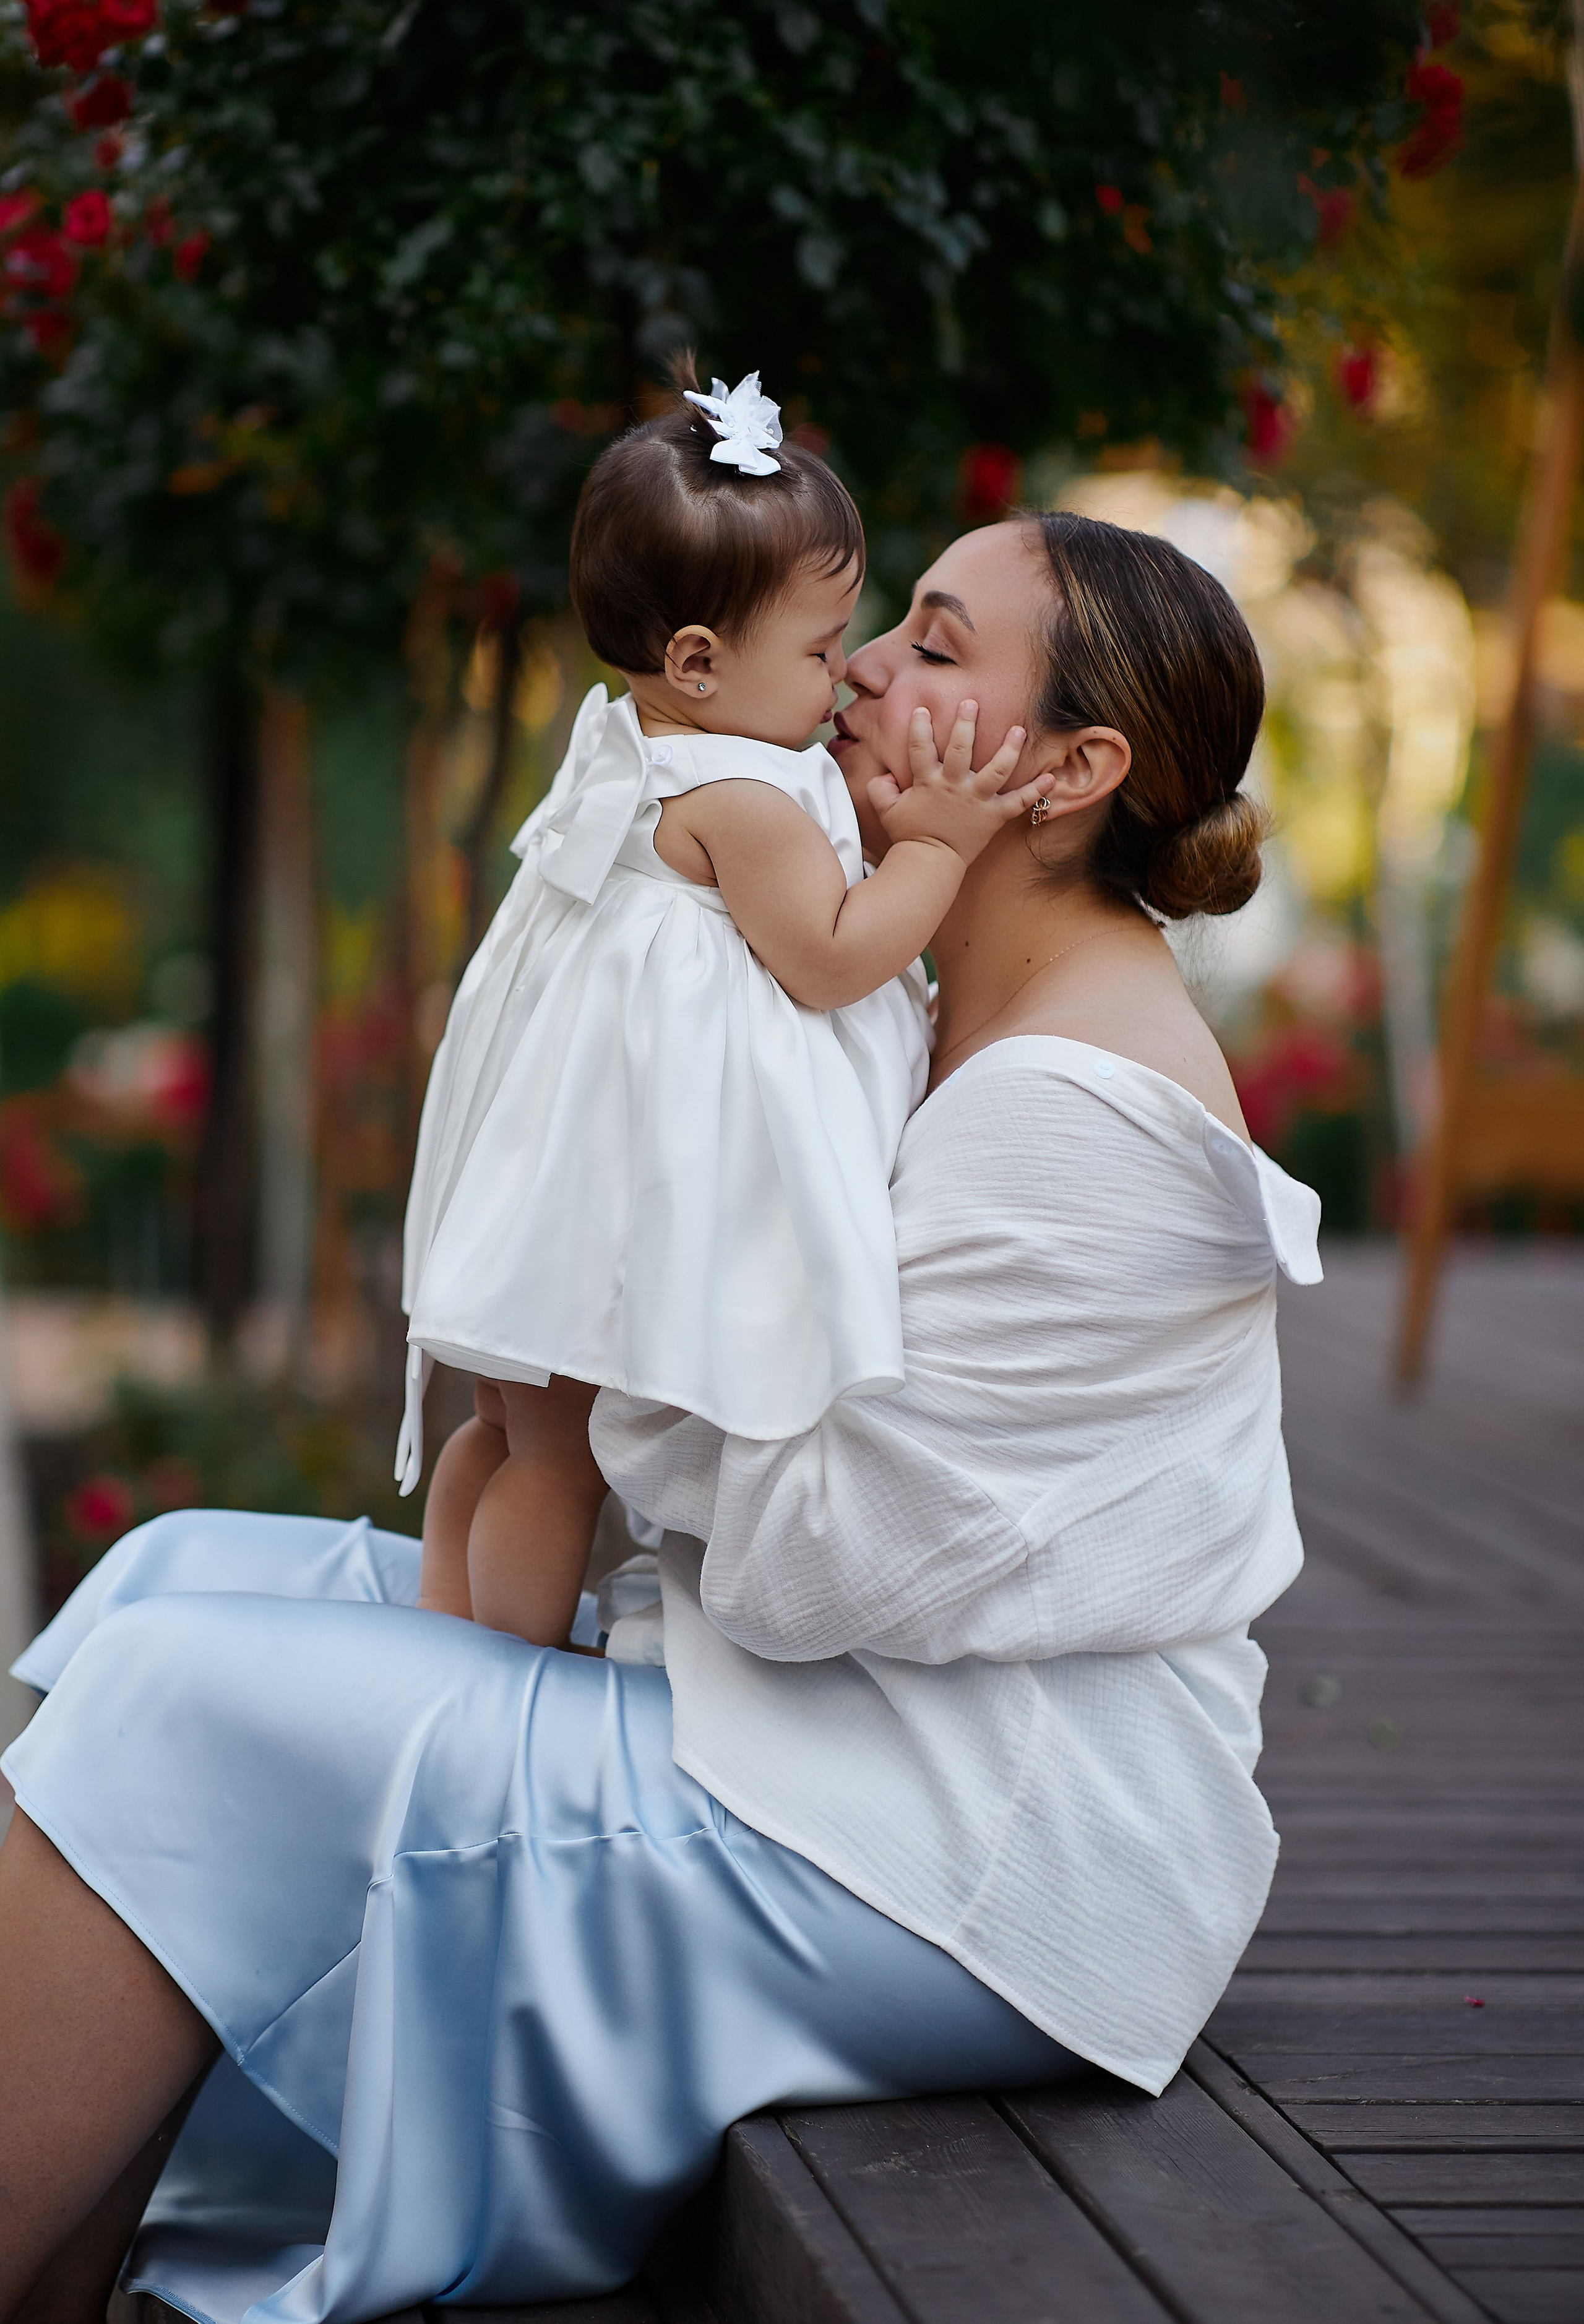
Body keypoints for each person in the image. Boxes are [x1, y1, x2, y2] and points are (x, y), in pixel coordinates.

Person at [0, 510, 1320, 2324]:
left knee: (179, 1702)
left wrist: (588, 1326)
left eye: (937, 648)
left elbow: (813, 1564)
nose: (863, 667)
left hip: (970, 1850)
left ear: (1075, 769)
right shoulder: (929, 993)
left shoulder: (1078, 1116)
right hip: (833, 1728)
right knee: (163, 1583)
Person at [399, 364, 1051, 1646]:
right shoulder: (742, 795)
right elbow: (829, 955)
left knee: (502, 1423)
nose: (840, 676)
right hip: (605, 1196)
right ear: (697, 661)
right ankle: (499, 1673)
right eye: (817, 650)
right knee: (562, 1460)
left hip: (548, 1167)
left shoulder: (633, 747)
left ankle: (438, 1632)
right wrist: (940, 846)